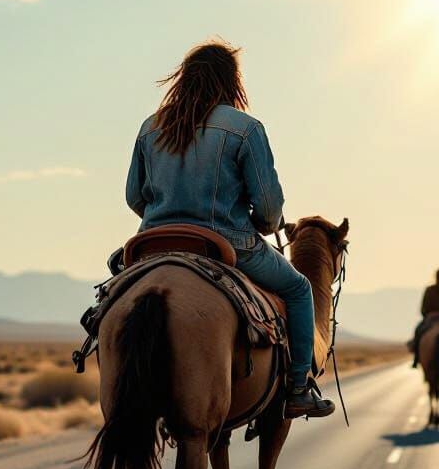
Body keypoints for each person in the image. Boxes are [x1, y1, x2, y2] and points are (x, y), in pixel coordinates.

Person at [125, 38, 334, 419]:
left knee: (113, 296)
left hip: (154, 243)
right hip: (228, 243)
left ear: (183, 79)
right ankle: (299, 388)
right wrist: (256, 225)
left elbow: (133, 197)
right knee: (299, 289)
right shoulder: (244, 129)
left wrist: (164, 215)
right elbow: (270, 209)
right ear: (232, 81)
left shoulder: (150, 128)